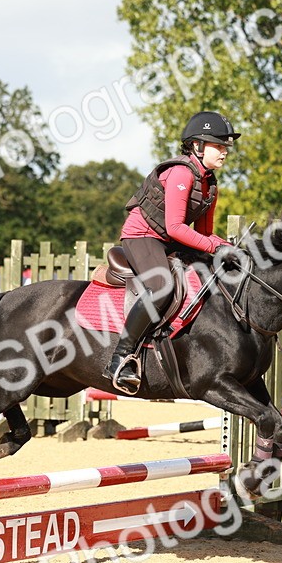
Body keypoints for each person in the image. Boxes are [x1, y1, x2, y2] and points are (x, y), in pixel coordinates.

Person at [102, 110, 241, 394]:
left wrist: (230, 248)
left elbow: (203, 235)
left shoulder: (210, 185)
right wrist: (216, 246)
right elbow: (176, 227)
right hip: (142, 236)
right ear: (197, 146)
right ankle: (121, 357)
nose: (225, 151)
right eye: (218, 145)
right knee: (161, 286)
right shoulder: (180, 173)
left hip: (168, 240)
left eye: (226, 146)